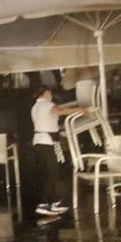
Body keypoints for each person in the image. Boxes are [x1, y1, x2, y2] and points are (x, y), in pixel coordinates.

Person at [31, 86, 79, 218]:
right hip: (48, 141)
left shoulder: (35, 107)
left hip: (38, 141)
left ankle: (52, 202)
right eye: (50, 92)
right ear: (46, 93)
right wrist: (79, 110)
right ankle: (44, 203)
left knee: (50, 171)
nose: (51, 95)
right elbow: (59, 111)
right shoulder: (47, 104)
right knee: (53, 171)